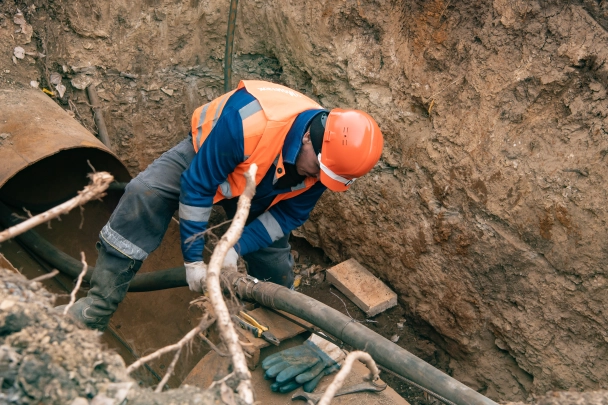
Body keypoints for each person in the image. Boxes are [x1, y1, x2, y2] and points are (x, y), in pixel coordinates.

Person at [60, 80, 383, 331]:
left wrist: (235, 247)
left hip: (266, 183)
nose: (317, 178)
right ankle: (98, 306)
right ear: (309, 138)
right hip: (209, 157)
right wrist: (192, 260)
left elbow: (287, 215)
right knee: (144, 194)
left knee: (275, 266)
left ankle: (278, 328)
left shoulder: (324, 163)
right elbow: (197, 185)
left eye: (328, 177)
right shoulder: (250, 122)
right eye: (319, 169)